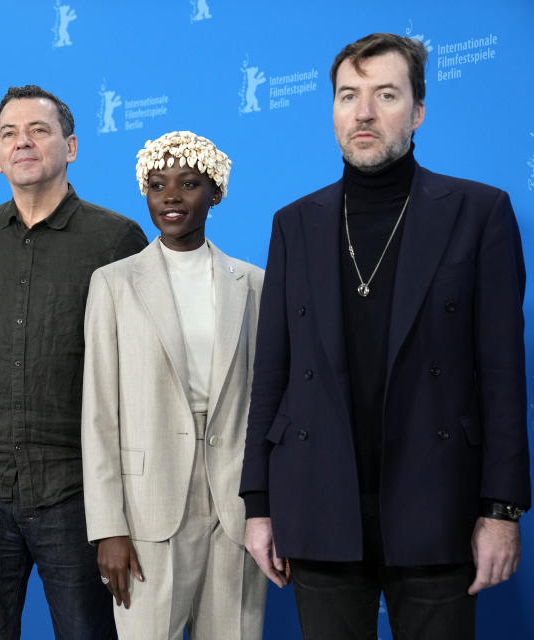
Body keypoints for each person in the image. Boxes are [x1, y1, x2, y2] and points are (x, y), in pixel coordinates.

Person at [239, 33, 529, 639]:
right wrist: (259, 506)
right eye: (348, 96)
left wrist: (501, 511)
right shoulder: (294, 223)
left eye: (385, 94)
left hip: (438, 505)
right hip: (319, 504)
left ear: (418, 111)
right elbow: (272, 376)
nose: (363, 112)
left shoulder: (478, 212)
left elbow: (503, 377)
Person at [0, 84, 148, 639]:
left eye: (38, 130)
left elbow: (138, 368)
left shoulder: (116, 238)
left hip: (77, 492)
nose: (22, 143)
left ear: (71, 147)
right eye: (8, 133)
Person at [82, 131, 267, 639]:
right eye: (157, 184)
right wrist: (108, 528)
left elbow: (268, 400)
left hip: (236, 504)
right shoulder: (114, 283)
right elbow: (99, 414)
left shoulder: (253, 283)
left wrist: (270, 508)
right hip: (147, 511)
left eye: (188, 184)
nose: (171, 196)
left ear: (215, 192)